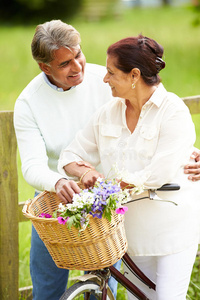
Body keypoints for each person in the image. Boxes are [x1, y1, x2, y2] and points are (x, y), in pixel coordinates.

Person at [58, 34, 200, 299]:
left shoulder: (173, 112)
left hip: (173, 231)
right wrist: (85, 171)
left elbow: (159, 173)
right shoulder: (107, 113)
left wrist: (107, 189)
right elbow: (69, 155)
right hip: (130, 236)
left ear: (134, 75)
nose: (104, 78)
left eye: (111, 72)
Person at [13, 19, 121, 300]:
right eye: (65, 64)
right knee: (47, 289)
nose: (77, 67)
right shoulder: (29, 103)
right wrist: (58, 181)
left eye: (78, 55)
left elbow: (149, 117)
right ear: (44, 67)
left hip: (105, 199)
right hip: (54, 200)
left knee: (104, 289)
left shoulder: (105, 81)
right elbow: (32, 165)